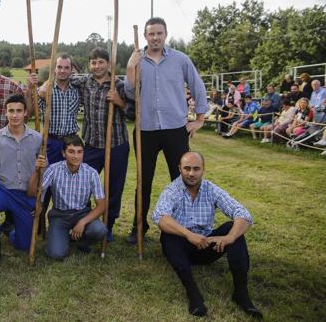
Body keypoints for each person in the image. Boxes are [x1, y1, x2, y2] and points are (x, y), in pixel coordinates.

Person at [124, 17, 208, 244]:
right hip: (145, 130)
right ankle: (138, 228)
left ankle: (180, 228)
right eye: (151, 34)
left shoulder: (180, 59)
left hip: (174, 129)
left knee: (181, 179)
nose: (155, 37)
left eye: (159, 33)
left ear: (165, 35)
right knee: (143, 181)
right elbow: (130, 94)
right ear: (145, 36)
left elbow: (197, 84)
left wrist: (199, 118)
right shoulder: (137, 60)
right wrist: (131, 68)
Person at [152, 152, 262, 318]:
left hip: (206, 246)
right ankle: (193, 294)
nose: (191, 173)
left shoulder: (211, 189)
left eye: (196, 169)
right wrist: (188, 235)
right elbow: (160, 217)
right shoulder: (172, 190)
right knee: (168, 235)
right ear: (179, 169)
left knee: (233, 227)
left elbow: (243, 213)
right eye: (187, 168)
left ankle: (241, 293)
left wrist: (229, 238)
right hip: (182, 248)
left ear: (203, 170)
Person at [68, 47, 129, 242]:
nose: (97, 66)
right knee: (83, 185)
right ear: (89, 65)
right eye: (93, 62)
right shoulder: (84, 82)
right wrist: (44, 85)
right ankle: (83, 223)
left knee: (113, 187)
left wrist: (120, 102)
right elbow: (63, 77)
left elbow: (135, 113)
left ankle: (108, 225)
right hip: (92, 145)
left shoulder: (119, 85)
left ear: (108, 64)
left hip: (117, 145)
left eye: (101, 62)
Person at [0, 94, 42, 266]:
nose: (15, 115)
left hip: (26, 195)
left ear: (25, 113)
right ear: (5, 113)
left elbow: (44, 174)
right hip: (4, 190)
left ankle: (10, 230)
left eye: (19, 111)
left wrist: (39, 200)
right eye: (11, 111)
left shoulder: (37, 139)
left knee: (24, 245)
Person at [28, 135, 107, 260]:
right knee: (56, 254)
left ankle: (78, 240)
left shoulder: (91, 173)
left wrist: (82, 222)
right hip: (60, 215)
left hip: (82, 213)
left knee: (99, 230)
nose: (76, 156)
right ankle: (62, 238)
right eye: (71, 152)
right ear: (63, 153)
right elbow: (32, 193)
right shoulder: (54, 169)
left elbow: (102, 205)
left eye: (79, 152)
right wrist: (36, 171)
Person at [31, 54, 80, 164]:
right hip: (51, 141)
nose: (62, 71)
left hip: (71, 141)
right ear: (54, 69)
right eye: (59, 67)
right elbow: (32, 112)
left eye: (66, 68)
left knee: (70, 177)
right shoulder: (45, 90)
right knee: (49, 175)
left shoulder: (77, 89)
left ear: (71, 69)